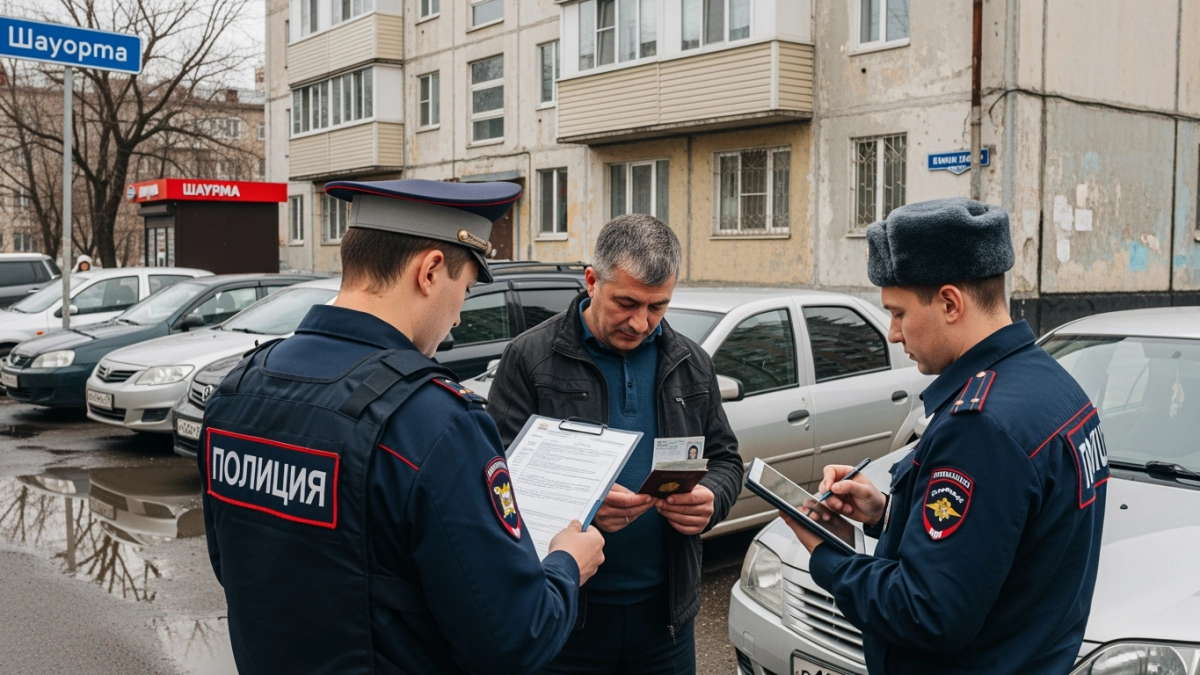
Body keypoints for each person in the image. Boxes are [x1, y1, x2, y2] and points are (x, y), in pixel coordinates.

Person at [198, 179, 605, 675]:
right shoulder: (434, 421)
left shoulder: (238, 390)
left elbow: (233, 566)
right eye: (465, 290)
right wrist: (566, 564)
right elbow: (516, 639)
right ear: (429, 271)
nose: (458, 319)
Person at [781, 198, 1108, 674]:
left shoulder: (982, 427)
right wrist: (887, 513)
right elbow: (1001, 542)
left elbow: (927, 613)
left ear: (951, 303)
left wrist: (826, 555)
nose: (893, 333)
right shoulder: (1053, 386)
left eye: (898, 313)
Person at [488, 214, 743, 674]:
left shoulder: (690, 361)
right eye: (626, 303)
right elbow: (494, 478)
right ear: (591, 281)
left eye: (658, 306)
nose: (641, 322)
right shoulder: (530, 357)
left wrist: (712, 498)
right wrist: (579, 505)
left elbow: (726, 459)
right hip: (565, 615)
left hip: (665, 620)